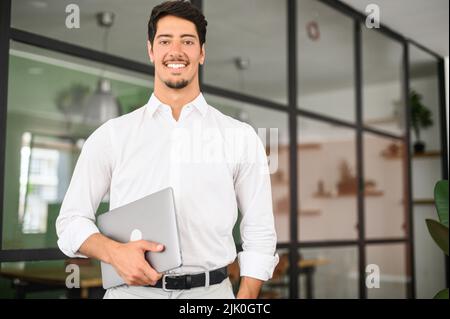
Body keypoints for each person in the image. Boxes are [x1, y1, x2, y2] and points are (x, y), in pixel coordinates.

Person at [56, 0, 278, 299]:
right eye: (165, 41)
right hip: (131, 293)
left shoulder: (240, 137)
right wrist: (113, 252)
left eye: (188, 41)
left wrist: (245, 298)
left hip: (211, 294)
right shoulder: (111, 136)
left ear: (202, 52)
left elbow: (260, 231)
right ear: (151, 50)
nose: (176, 51)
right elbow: (70, 221)